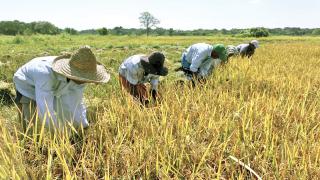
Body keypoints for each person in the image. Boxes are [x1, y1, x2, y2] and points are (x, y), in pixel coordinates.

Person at [13, 46, 110, 131]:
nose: (86, 82)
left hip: (52, 83)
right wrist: (60, 132)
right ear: (73, 74)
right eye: (83, 78)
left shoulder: (81, 79)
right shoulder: (45, 74)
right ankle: (28, 146)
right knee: (29, 122)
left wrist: (83, 126)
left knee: (66, 107)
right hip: (27, 83)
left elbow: (77, 104)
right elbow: (46, 111)